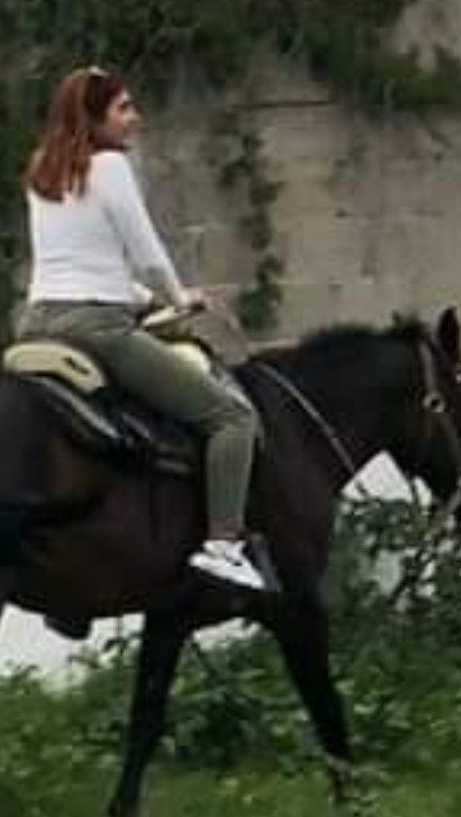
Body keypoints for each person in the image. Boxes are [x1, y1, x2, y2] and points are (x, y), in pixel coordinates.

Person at [15, 64, 275, 592]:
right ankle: (224, 545)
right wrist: (178, 297)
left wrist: (139, 300)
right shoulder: (109, 166)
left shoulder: (42, 166)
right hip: (96, 328)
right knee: (231, 418)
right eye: (123, 108)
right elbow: (145, 251)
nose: (134, 119)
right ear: (95, 118)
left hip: (39, 323)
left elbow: (77, 258)